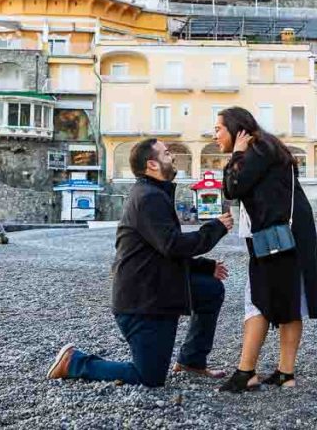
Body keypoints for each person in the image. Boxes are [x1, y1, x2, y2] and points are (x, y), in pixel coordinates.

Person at [46, 138, 234, 387]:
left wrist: (206, 267)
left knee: (210, 289)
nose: (173, 157)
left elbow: (160, 252)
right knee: (149, 377)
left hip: (156, 287)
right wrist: (216, 227)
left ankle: (191, 360)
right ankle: (75, 362)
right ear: (152, 164)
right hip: (142, 302)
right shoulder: (148, 198)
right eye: (167, 154)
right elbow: (172, 245)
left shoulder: (154, 193)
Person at [214, 107, 317, 392]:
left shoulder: (256, 151)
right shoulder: (265, 147)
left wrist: (236, 155)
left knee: (263, 298)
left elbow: (232, 188)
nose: (214, 135)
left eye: (218, 129)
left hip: (278, 237)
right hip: (285, 234)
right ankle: (284, 373)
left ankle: (248, 372)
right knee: (287, 299)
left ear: (237, 129)